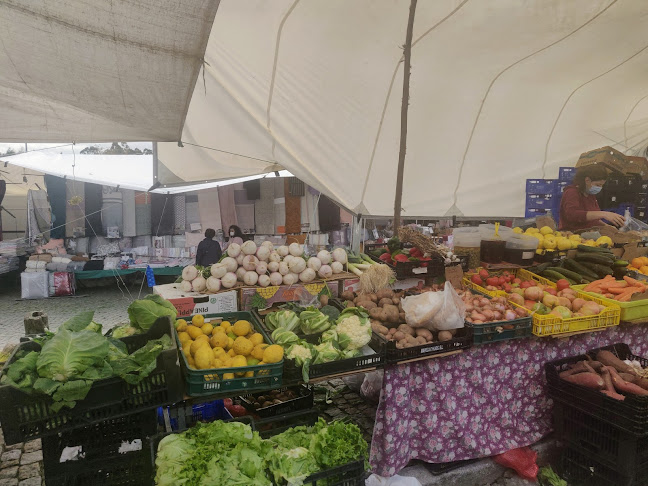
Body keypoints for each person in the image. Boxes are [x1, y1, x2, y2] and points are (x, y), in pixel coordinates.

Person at [559, 165, 625, 231]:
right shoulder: (571, 192)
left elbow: (593, 218)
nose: (600, 188)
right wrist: (604, 214)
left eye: (602, 185)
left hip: (589, 234)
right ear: (587, 180)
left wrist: (606, 226)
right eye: (598, 185)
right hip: (572, 235)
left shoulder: (590, 195)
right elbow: (572, 215)